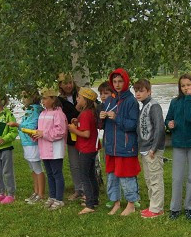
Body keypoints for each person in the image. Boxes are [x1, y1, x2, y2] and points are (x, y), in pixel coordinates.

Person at [100, 68, 140, 216]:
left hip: (125, 145)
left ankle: (131, 203)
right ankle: (115, 202)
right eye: (114, 81)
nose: (117, 85)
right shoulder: (109, 99)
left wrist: (116, 117)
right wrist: (101, 117)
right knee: (112, 176)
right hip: (111, 145)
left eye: (120, 81)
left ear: (126, 82)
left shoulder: (131, 101)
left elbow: (132, 125)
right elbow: (102, 125)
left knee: (127, 176)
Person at [165, 74, 191, 220]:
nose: (186, 88)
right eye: (183, 86)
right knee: (177, 177)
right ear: (179, 88)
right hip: (179, 144)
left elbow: (190, 116)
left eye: (189, 85)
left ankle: (189, 207)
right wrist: (169, 124)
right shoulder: (174, 102)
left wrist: (189, 98)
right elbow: (168, 118)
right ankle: (174, 208)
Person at [133, 78, 166, 218]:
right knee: (148, 178)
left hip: (153, 150)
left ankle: (157, 209)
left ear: (149, 91)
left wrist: (154, 148)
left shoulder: (154, 106)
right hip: (144, 149)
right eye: (136, 91)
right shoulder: (143, 106)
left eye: (141, 91)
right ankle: (153, 205)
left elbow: (159, 128)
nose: (138, 94)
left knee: (155, 178)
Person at [33, 87, 68, 209]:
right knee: (49, 173)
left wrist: (44, 134)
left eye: (45, 98)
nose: (43, 101)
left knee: (57, 173)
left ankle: (59, 198)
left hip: (55, 149)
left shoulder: (58, 113)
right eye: (42, 98)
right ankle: (52, 196)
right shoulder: (42, 113)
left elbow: (61, 131)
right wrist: (36, 135)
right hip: (44, 148)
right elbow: (41, 130)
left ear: (53, 99)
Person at [10, 89, 45, 205]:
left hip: (32, 142)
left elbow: (31, 126)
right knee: (32, 168)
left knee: (37, 168)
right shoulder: (30, 109)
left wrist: (17, 125)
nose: (23, 99)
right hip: (27, 142)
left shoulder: (35, 110)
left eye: (25, 97)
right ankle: (36, 191)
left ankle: (40, 194)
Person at [68, 87, 100, 215]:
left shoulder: (86, 114)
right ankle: (94, 199)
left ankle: (89, 204)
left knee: (85, 176)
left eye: (79, 97)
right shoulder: (88, 112)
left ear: (85, 100)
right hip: (92, 147)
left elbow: (86, 134)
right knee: (91, 175)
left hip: (87, 148)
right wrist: (77, 122)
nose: (77, 99)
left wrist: (72, 130)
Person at [57, 72, 86, 203]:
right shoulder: (59, 101)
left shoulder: (81, 94)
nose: (68, 85)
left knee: (85, 162)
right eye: (65, 83)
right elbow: (66, 118)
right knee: (74, 164)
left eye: (70, 82)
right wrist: (78, 108)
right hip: (70, 135)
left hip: (85, 133)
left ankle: (87, 188)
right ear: (60, 85)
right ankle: (78, 189)